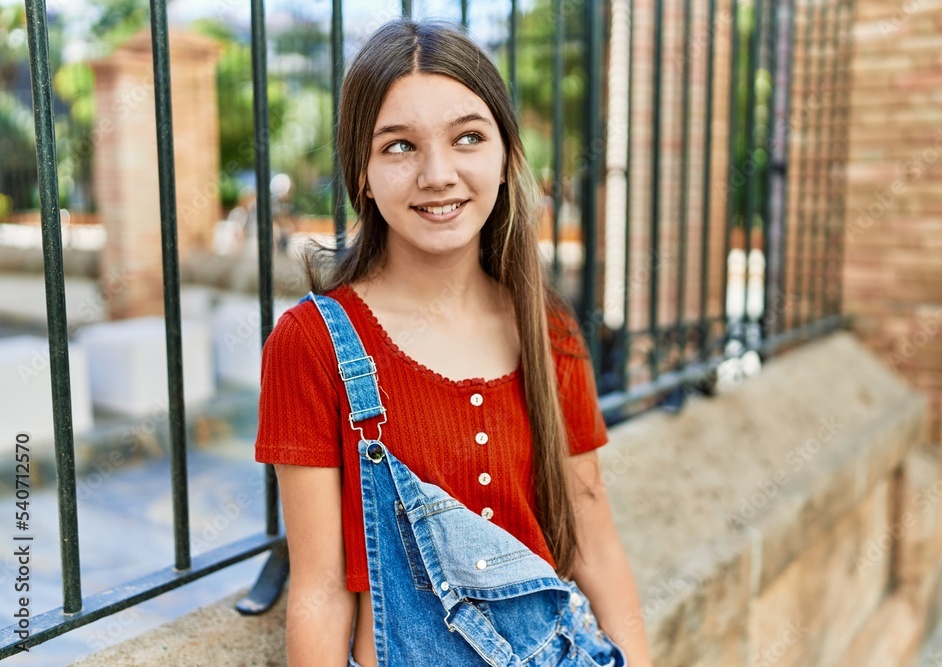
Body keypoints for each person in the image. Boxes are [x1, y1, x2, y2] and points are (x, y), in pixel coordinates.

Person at [255, 19, 653, 667]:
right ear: (361, 171)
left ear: (505, 158)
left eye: (468, 137)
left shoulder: (547, 328)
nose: (438, 174)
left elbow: (593, 538)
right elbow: (322, 589)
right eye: (400, 146)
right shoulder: (313, 342)